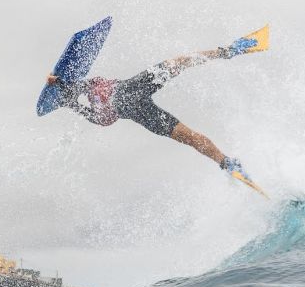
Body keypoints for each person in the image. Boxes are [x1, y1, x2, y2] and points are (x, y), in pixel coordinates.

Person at [45, 36, 260, 182]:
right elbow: (93, 114)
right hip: (139, 106)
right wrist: (68, 98)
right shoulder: (97, 110)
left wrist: (62, 87)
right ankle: (226, 163)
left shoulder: (94, 87)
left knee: (177, 66)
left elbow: (81, 92)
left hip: (134, 96)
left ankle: (227, 52)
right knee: (189, 135)